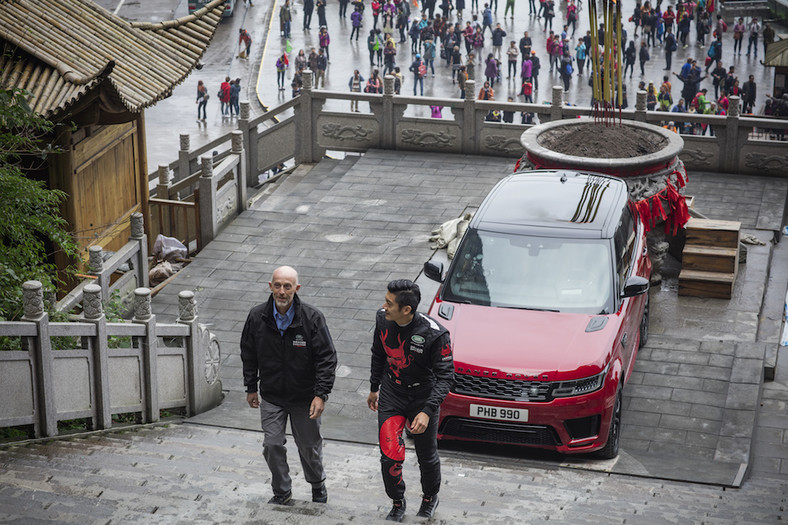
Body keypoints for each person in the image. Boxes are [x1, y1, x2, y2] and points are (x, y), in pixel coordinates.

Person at [241, 266, 338, 506]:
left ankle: (317, 484)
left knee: (308, 446)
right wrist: (250, 387)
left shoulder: (311, 318)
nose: (282, 291)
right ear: (270, 286)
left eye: (287, 286)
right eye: (277, 285)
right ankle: (282, 491)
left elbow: (327, 358)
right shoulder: (257, 317)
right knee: (272, 444)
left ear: (297, 288)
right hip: (272, 395)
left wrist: (320, 395)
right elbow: (248, 353)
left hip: (305, 397)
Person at [367, 279, 453, 522]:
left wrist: (427, 411)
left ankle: (429, 497)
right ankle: (397, 501)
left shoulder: (435, 334)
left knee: (426, 454)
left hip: (422, 397)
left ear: (407, 309)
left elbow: (447, 378)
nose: (383, 306)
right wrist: (374, 387)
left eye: (389, 303)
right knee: (390, 455)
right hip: (392, 393)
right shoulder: (382, 319)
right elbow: (378, 352)